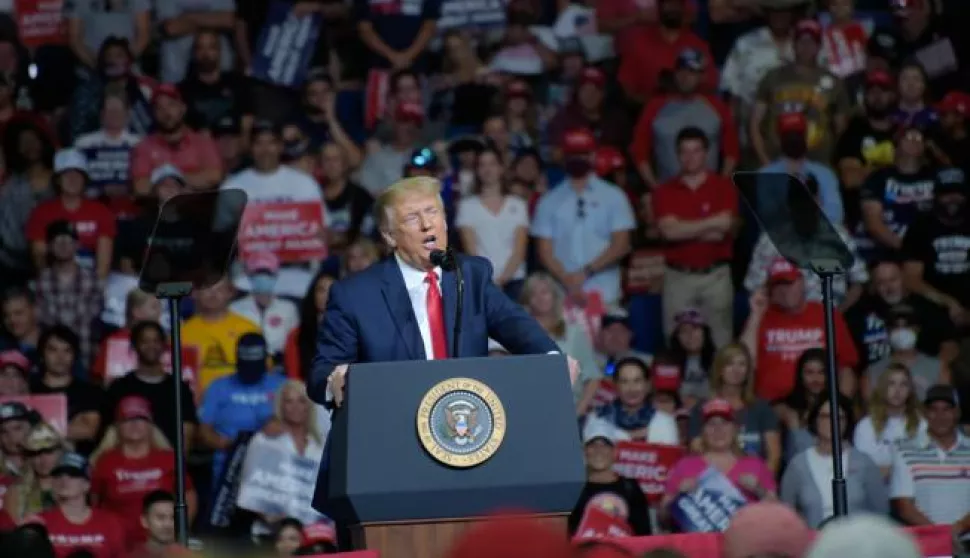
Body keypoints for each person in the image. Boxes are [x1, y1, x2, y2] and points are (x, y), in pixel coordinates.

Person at [311, 176, 574, 408]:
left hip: (464, 427)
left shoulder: (470, 275)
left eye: (433, 212)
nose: (428, 225)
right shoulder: (355, 295)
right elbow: (322, 374)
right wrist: (336, 381)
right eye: (413, 217)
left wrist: (553, 360)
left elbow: (514, 324)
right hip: (392, 426)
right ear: (390, 236)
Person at [780, 395, 888, 527]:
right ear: (815, 420)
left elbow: (881, 513)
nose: (832, 422)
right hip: (813, 543)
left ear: (847, 422)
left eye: (839, 417)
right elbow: (786, 513)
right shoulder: (798, 465)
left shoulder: (864, 463)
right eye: (825, 416)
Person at [24, 452, 127, 558]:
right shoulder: (39, 522)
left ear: (86, 484)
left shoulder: (110, 523)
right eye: (59, 475)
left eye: (73, 475)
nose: (64, 480)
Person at [568, 417, 651, 536]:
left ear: (615, 452)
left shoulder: (630, 488)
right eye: (593, 445)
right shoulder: (572, 490)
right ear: (584, 451)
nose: (599, 450)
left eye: (605, 445)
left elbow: (644, 535)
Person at [853, 364, 927, 480]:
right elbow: (864, 471)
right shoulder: (865, 426)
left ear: (910, 390)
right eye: (891, 384)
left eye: (903, 384)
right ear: (882, 387)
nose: (897, 390)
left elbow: (924, 468)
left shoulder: (922, 424)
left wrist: (886, 470)